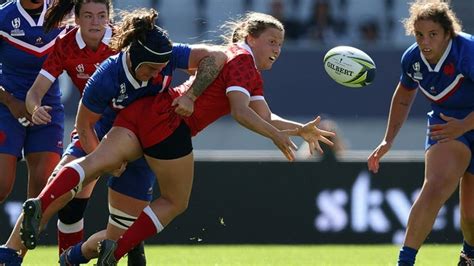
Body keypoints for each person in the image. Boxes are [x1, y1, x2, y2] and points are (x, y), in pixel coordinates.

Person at [17, 11, 335, 265]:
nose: (277, 49)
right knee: (175, 202)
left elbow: (264, 115)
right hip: (172, 128)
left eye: (280, 44)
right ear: (251, 37)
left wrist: (297, 128)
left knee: (95, 163)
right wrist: (276, 136)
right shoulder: (242, 64)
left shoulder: (242, 62)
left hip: (144, 111)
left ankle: (57, 229)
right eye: (272, 42)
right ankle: (117, 251)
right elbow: (241, 112)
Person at [0, 6, 226, 266]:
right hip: (99, 125)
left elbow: (216, 56)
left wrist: (191, 94)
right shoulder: (94, 66)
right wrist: (105, 159)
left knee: (121, 230)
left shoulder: (146, 45)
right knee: (64, 196)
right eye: (88, 15)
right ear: (76, 18)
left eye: (101, 16)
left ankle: (81, 255)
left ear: (109, 18)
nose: (95, 23)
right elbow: (82, 123)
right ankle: (12, 251)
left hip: (144, 134)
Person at [367, 1, 474, 265]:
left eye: (433, 35)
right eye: (419, 35)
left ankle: (469, 255)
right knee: (435, 186)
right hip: (447, 124)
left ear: (448, 33)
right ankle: (405, 261)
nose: (425, 42)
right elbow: (404, 97)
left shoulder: (468, 51)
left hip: (464, 123)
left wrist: (465, 125)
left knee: (471, 215)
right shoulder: (413, 59)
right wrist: (387, 140)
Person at [0, 0, 67, 202]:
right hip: (6, 106)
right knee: (1, 186)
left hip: (47, 108)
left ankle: (28, 234)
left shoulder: (64, 13)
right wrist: (11, 102)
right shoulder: (3, 17)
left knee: (42, 196)